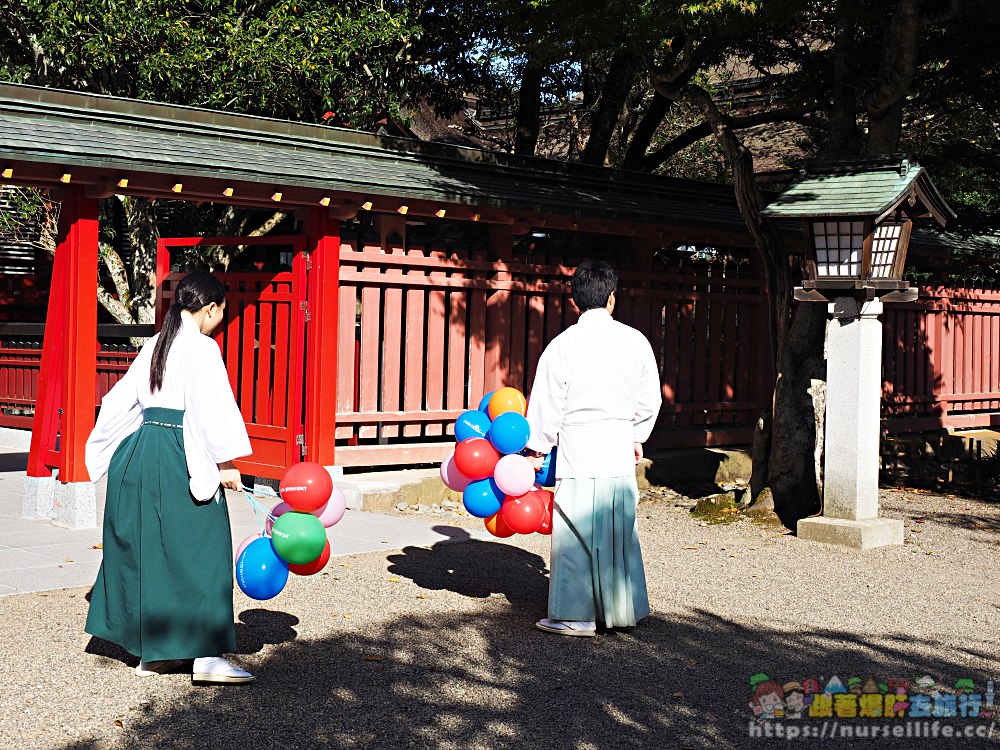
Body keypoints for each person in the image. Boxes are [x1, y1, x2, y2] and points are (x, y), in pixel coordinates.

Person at [84, 271, 255, 683]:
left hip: (142, 451)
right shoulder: (202, 348)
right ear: (210, 308)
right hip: (181, 449)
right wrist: (226, 461)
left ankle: (155, 651)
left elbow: (117, 400)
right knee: (205, 551)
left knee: (153, 552)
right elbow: (209, 407)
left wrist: (106, 451)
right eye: (221, 313)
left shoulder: (157, 344)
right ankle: (205, 656)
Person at [524, 258, 661, 637]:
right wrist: (637, 435)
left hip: (579, 446)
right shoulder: (636, 341)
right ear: (612, 299)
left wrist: (536, 447)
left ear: (575, 302)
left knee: (575, 530)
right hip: (617, 445)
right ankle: (621, 610)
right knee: (619, 530)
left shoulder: (562, 346)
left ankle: (575, 613)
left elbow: (547, 402)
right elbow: (650, 398)